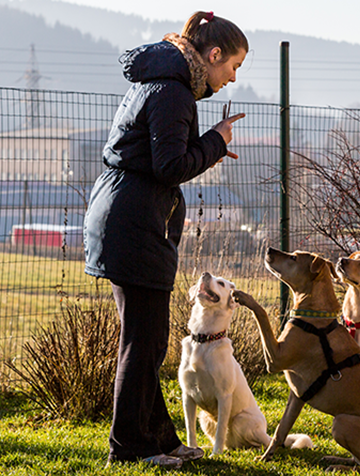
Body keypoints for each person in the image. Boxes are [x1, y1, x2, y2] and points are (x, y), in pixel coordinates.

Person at [83, 11, 248, 469]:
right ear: (213, 55)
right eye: (232, 66)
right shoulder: (173, 91)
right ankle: (131, 447)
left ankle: (159, 437)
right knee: (144, 343)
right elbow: (169, 166)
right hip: (134, 223)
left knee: (146, 341)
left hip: (125, 216)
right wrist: (215, 141)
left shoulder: (162, 80)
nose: (232, 78)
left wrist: (209, 143)